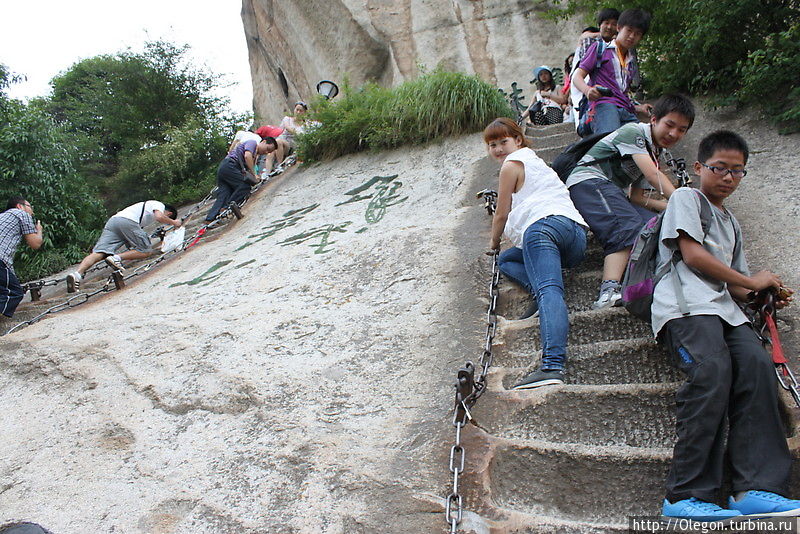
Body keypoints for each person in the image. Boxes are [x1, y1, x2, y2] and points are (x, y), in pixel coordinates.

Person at [655, 130, 800, 521]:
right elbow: (691, 255)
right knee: (711, 370)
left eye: (738, 172)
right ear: (700, 167)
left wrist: (760, 294)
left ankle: (756, 488)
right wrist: (752, 282)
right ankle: (683, 496)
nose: (728, 178)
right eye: (720, 168)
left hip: (726, 311)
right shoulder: (687, 198)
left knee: (756, 368)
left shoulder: (731, 222)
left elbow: (736, 284)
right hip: (686, 307)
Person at [484, 118, 587, 389]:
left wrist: (493, 243)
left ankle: (552, 366)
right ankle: (542, 286)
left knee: (549, 290)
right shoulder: (536, 162)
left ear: (518, 140)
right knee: (509, 260)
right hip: (574, 236)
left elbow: (502, 213)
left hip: (542, 230)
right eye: (492, 145)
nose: (497, 149)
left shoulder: (511, 165)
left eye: (502, 142)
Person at [565, 94, 694, 309]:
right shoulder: (633, 133)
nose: (674, 133)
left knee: (653, 225)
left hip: (610, 192)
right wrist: (684, 201)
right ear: (654, 119)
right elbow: (653, 175)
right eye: (669, 125)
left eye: (681, 130)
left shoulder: (653, 152)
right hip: (587, 183)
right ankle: (608, 291)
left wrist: (671, 207)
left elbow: (637, 197)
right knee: (626, 227)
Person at [66, 201, 180, 292]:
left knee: (100, 252)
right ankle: (116, 258)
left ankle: (77, 274)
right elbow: (160, 217)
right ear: (169, 213)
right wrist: (174, 223)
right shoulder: (158, 205)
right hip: (128, 221)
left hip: (113, 221)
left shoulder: (144, 211)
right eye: (168, 219)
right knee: (145, 251)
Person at [571, 8, 652, 136]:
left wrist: (638, 108)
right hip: (604, 105)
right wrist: (587, 91)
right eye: (629, 30)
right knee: (610, 142)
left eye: (637, 33)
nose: (632, 36)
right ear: (619, 28)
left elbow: (620, 93)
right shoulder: (600, 49)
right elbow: (577, 76)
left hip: (625, 110)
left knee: (640, 142)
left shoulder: (630, 62)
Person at [569, 9, 620, 132]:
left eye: (614, 24)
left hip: (619, 104)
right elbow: (578, 76)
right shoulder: (596, 47)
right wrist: (587, 90)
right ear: (600, 25)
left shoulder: (622, 51)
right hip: (600, 103)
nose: (609, 27)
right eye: (606, 23)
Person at [205, 137, 277, 222]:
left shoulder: (255, 156)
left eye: (268, 152)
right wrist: (254, 174)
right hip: (230, 165)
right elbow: (247, 156)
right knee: (245, 187)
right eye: (267, 149)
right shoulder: (252, 142)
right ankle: (227, 208)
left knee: (224, 194)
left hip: (225, 167)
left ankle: (210, 218)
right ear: (263, 142)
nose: (266, 152)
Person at [0, 197, 43, 318]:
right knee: (15, 293)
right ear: (20, 206)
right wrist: (39, 230)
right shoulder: (21, 214)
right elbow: (35, 244)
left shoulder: (3, 217)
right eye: (30, 207)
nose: (32, 212)